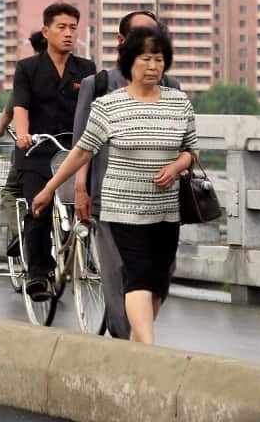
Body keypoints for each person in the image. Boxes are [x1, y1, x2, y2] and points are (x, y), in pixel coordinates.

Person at [31, 26, 196, 344]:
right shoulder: (109, 105)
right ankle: (149, 350)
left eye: (159, 59)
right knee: (137, 277)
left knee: (158, 283)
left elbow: (191, 150)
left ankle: (136, 344)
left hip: (165, 209)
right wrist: (50, 188)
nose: (153, 66)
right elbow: (82, 152)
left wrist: (176, 166)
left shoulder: (179, 102)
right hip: (123, 207)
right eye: (145, 59)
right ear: (129, 61)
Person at [72, 9, 182, 339]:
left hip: (160, 201)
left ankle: (137, 339)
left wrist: (178, 165)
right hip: (111, 199)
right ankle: (127, 345)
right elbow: (83, 144)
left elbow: (186, 144)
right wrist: (80, 189)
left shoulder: (171, 86)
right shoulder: (98, 85)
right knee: (120, 274)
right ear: (121, 41)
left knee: (160, 274)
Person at [12, 3, 96, 300]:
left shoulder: (86, 69)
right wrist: (23, 134)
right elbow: (20, 106)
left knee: (90, 202)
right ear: (46, 31)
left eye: (73, 27)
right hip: (37, 150)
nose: (68, 33)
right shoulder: (27, 68)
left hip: (75, 151)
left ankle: (93, 258)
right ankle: (38, 274)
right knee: (40, 207)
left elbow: (94, 109)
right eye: (62, 27)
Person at [0, 31, 47, 249]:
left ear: (34, 47)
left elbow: (12, 108)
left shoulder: (28, 70)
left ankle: (22, 232)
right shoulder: (74, 70)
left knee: (11, 191)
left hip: (31, 146)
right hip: (64, 147)